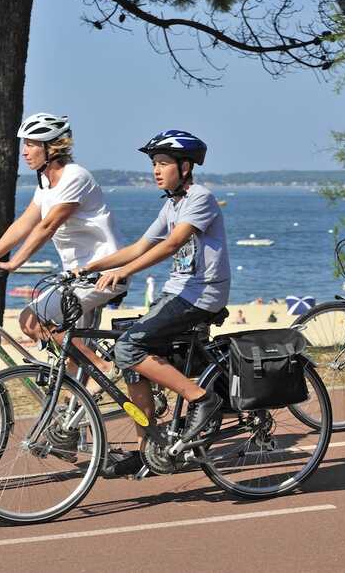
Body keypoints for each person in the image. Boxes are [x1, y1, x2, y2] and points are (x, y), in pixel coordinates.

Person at [83, 129, 231, 476]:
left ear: (185, 166)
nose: (156, 170)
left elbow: (168, 246)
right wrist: (89, 267)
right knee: (131, 359)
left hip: (201, 294)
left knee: (129, 347)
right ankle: (146, 447)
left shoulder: (200, 199)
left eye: (163, 163)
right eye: (154, 164)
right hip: (178, 292)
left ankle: (201, 399)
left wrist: (123, 273)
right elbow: (140, 246)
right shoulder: (172, 204)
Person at [0, 113, 126, 378]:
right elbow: (25, 224)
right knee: (71, 360)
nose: (24, 152)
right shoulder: (45, 184)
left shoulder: (75, 177)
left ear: (51, 148)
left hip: (103, 272)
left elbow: (47, 225)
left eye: (31, 144)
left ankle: (106, 368)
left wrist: (12, 264)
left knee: (31, 320)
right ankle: (78, 409)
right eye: (25, 144)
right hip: (76, 275)